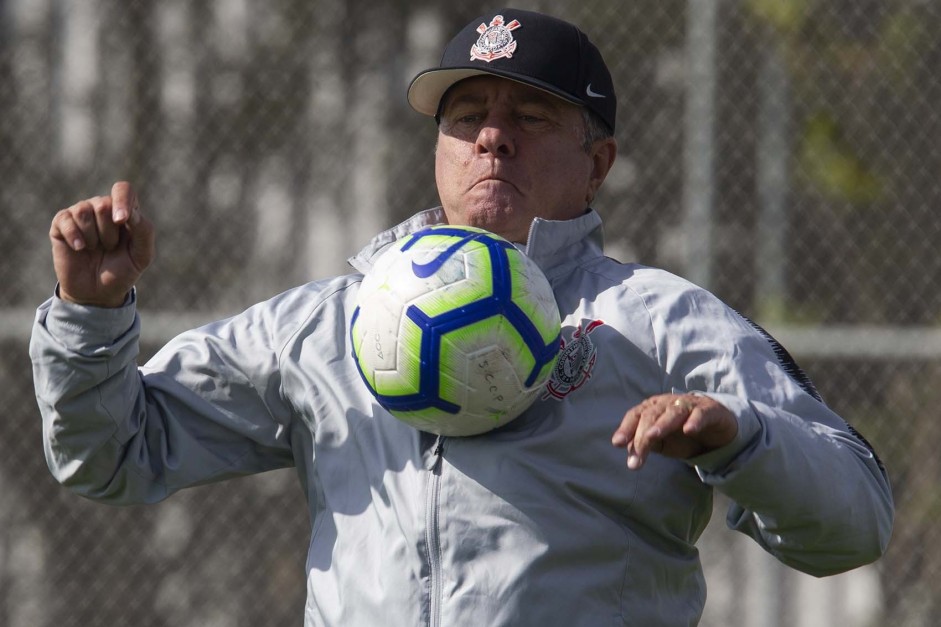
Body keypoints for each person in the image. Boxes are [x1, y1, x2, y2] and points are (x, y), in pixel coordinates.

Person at [31, 8, 893, 626]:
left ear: (597, 163)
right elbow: (110, 454)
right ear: (438, 148)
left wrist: (736, 437)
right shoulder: (330, 325)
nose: (491, 137)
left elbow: (854, 518)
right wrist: (91, 316)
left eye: (530, 114)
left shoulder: (659, 321)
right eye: (467, 116)